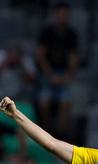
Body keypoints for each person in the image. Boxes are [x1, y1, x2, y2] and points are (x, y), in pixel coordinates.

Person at [35, 1, 79, 137]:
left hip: (63, 75)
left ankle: (60, 137)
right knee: (44, 102)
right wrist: (50, 75)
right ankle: (46, 133)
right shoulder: (47, 32)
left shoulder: (72, 34)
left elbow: (73, 58)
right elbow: (40, 56)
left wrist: (68, 75)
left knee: (66, 103)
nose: (63, 17)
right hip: (47, 74)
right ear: (56, 15)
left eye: (65, 14)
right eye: (60, 14)